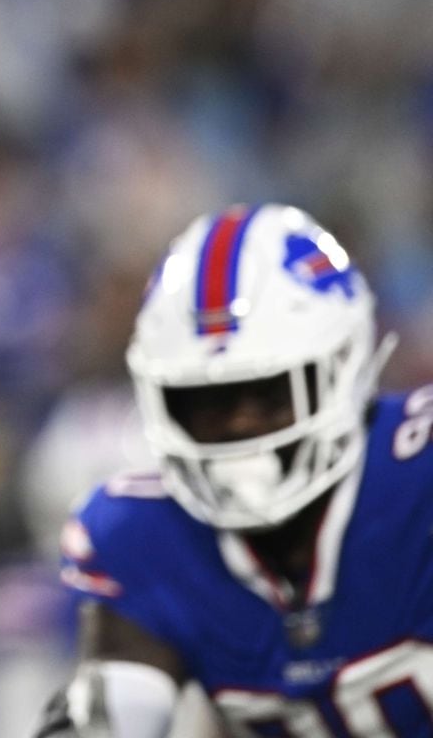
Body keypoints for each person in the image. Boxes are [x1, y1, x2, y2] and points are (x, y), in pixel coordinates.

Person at [35, 202, 430, 738]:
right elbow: (108, 721)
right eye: (206, 402)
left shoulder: (418, 477)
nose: (242, 425)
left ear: (343, 367)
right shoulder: (142, 534)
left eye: (270, 393)